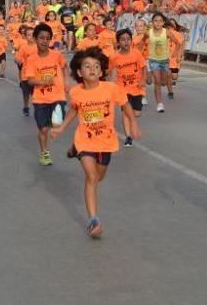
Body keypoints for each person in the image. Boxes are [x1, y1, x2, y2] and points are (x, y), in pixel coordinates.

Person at [50, 47, 140, 238]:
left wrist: (133, 123)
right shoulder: (76, 93)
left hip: (106, 142)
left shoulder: (111, 89)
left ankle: (74, 150)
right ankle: (93, 220)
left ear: (101, 71)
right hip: (85, 140)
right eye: (87, 66)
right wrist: (62, 127)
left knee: (99, 177)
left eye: (96, 66)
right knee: (91, 177)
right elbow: (74, 109)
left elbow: (125, 105)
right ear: (80, 72)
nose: (92, 69)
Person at [24, 22, 69, 166]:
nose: (44, 41)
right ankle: (44, 152)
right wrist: (43, 81)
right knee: (43, 129)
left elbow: (65, 67)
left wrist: (66, 82)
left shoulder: (56, 55)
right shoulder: (31, 59)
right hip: (40, 98)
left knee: (57, 122)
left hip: (57, 95)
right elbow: (30, 81)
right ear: (36, 39)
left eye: (47, 38)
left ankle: (53, 124)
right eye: (41, 38)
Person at [109, 29, 146, 146]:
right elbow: (112, 73)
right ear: (118, 42)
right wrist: (112, 88)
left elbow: (144, 68)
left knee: (137, 113)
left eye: (128, 39)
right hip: (122, 89)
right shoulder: (114, 57)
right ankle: (128, 137)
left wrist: (143, 80)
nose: (126, 42)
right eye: (123, 40)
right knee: (126, 111)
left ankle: (132, 122)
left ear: (131, 41)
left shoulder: (136, 54)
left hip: (136, 87)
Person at [146, 12, 173, 112]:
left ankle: (165, 83)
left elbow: (178, 43)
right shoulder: (149, 32)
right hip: (153, 61)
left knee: (163, 82)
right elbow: (141, 42)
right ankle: (160, 104)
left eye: (160, 21)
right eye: (155, 21)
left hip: (164, 61)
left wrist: (176, 54)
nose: (158, 23)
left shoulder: (166, 32)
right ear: (152, 22)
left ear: (163, 23)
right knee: (157, 82)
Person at [14, 25, 36, 117]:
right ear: (25, 36)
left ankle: (38, 108)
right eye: (28, 35)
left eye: (32, 34)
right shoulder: (23, 47)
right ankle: (26, 106)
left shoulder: (40, 46)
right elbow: (17, 58)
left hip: (37, 75)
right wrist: (18, 61)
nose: (31, 37)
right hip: (25, 74)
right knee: (26, 94)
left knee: (37, 93)